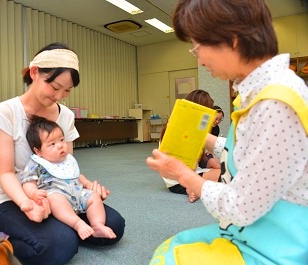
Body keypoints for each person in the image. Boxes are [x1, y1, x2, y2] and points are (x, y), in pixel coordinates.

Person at [146, 0, 308, 264]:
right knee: (172, 247)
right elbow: (251, 152)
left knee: (169, 256)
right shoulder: (262, 93)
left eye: (198, 46)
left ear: (231, 39)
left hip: (276, 245)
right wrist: (203, 139)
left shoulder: (275, 103)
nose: (197, 56)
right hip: (259, 231)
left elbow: (240, 207)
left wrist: (184, 175)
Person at [0, 42, 125, 265]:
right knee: (60, 246)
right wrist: (27, 204)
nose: (60, 95)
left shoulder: (65, 115)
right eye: (55, 87)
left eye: (67, 90)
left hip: (61, 193)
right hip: (13, 199)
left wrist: (88, 186)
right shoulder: (4, 113)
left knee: (114, 224)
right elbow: (6, 173)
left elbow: (64, 162)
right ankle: (9, 240)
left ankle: (59, 226)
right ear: (34, 72)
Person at [20, 115, 116, 240]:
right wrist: (34, 193)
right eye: (52, 144)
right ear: (38, 151)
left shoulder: (67, 159)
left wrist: (88, 184)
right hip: (57, 196)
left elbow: (77, 175)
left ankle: (98, 225)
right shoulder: (36, 164)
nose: (60, 146)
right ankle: (78, 224)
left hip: (77, 194)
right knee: (55, 199)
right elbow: (28, 183)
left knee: (94, 197)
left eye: (61, 140)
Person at [160, 90, 221, 203]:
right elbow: (190, 166)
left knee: (221, 169)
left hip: (180, 177)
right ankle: (194, 188)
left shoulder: (176, 123)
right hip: (180, 180)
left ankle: (196, 187)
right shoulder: (184, 130)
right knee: (228, 175)